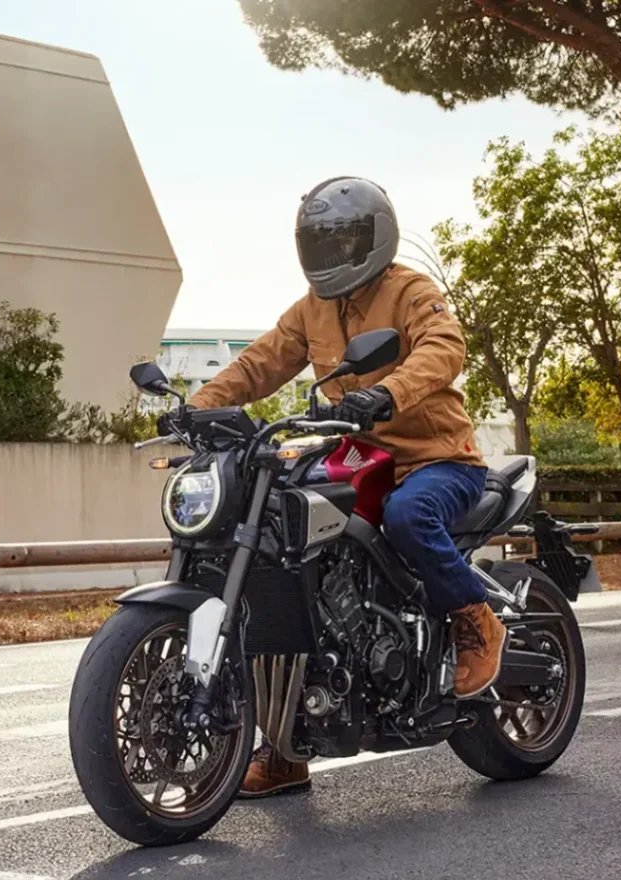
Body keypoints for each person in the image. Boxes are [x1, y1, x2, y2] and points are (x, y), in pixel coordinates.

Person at [166, 176, 506, 799]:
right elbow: (261, 362)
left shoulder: (410, 290)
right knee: (287, 560)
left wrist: (387, 393)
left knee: (408, 516)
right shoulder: (311, 309)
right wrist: (199, 407)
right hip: (357, 458)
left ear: (374, 237)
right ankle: (288, 747)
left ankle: (476, 618)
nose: (328, 254)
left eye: (340, 240)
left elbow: (443, 349)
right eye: (318, 242)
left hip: (435, 461)